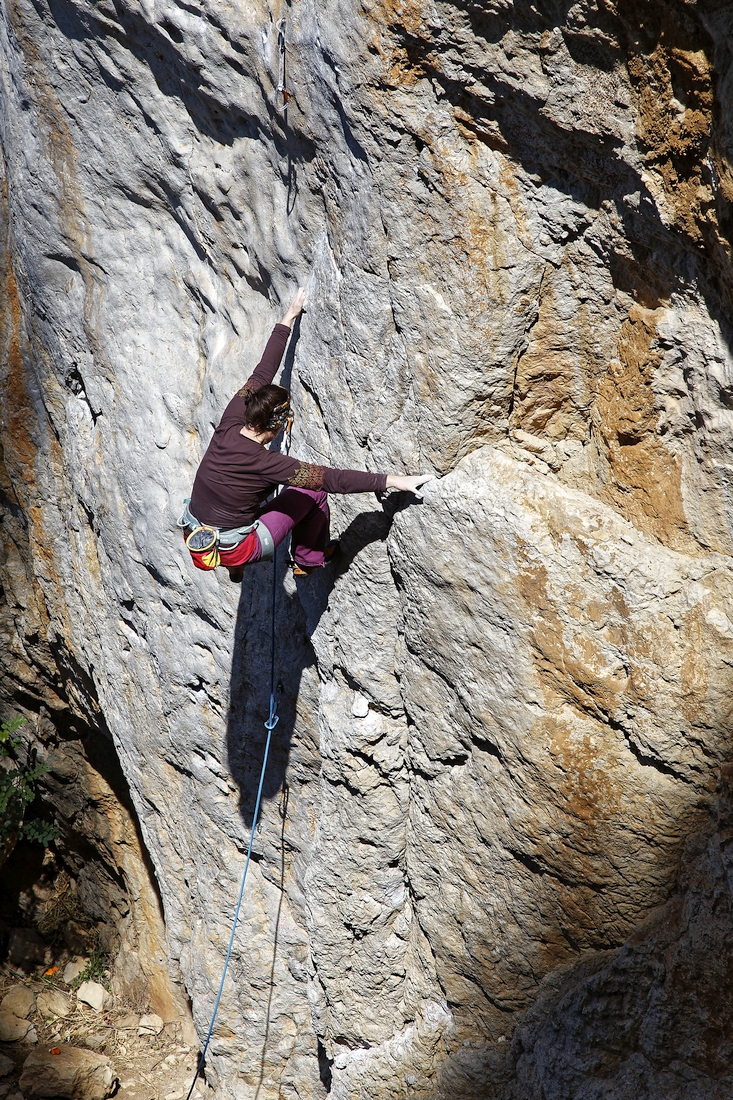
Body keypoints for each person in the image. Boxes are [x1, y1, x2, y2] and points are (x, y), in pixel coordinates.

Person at [180, 288, 433, 581]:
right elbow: (330, 480)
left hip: (196, 534)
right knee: (313, 493)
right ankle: (308, 560)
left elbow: (261, 375)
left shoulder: (233, 417)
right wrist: (392, 480)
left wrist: (287, 319)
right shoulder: (267, 464)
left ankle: (235, 562)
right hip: (233, 545)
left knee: (238, 503)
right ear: (277, 426)